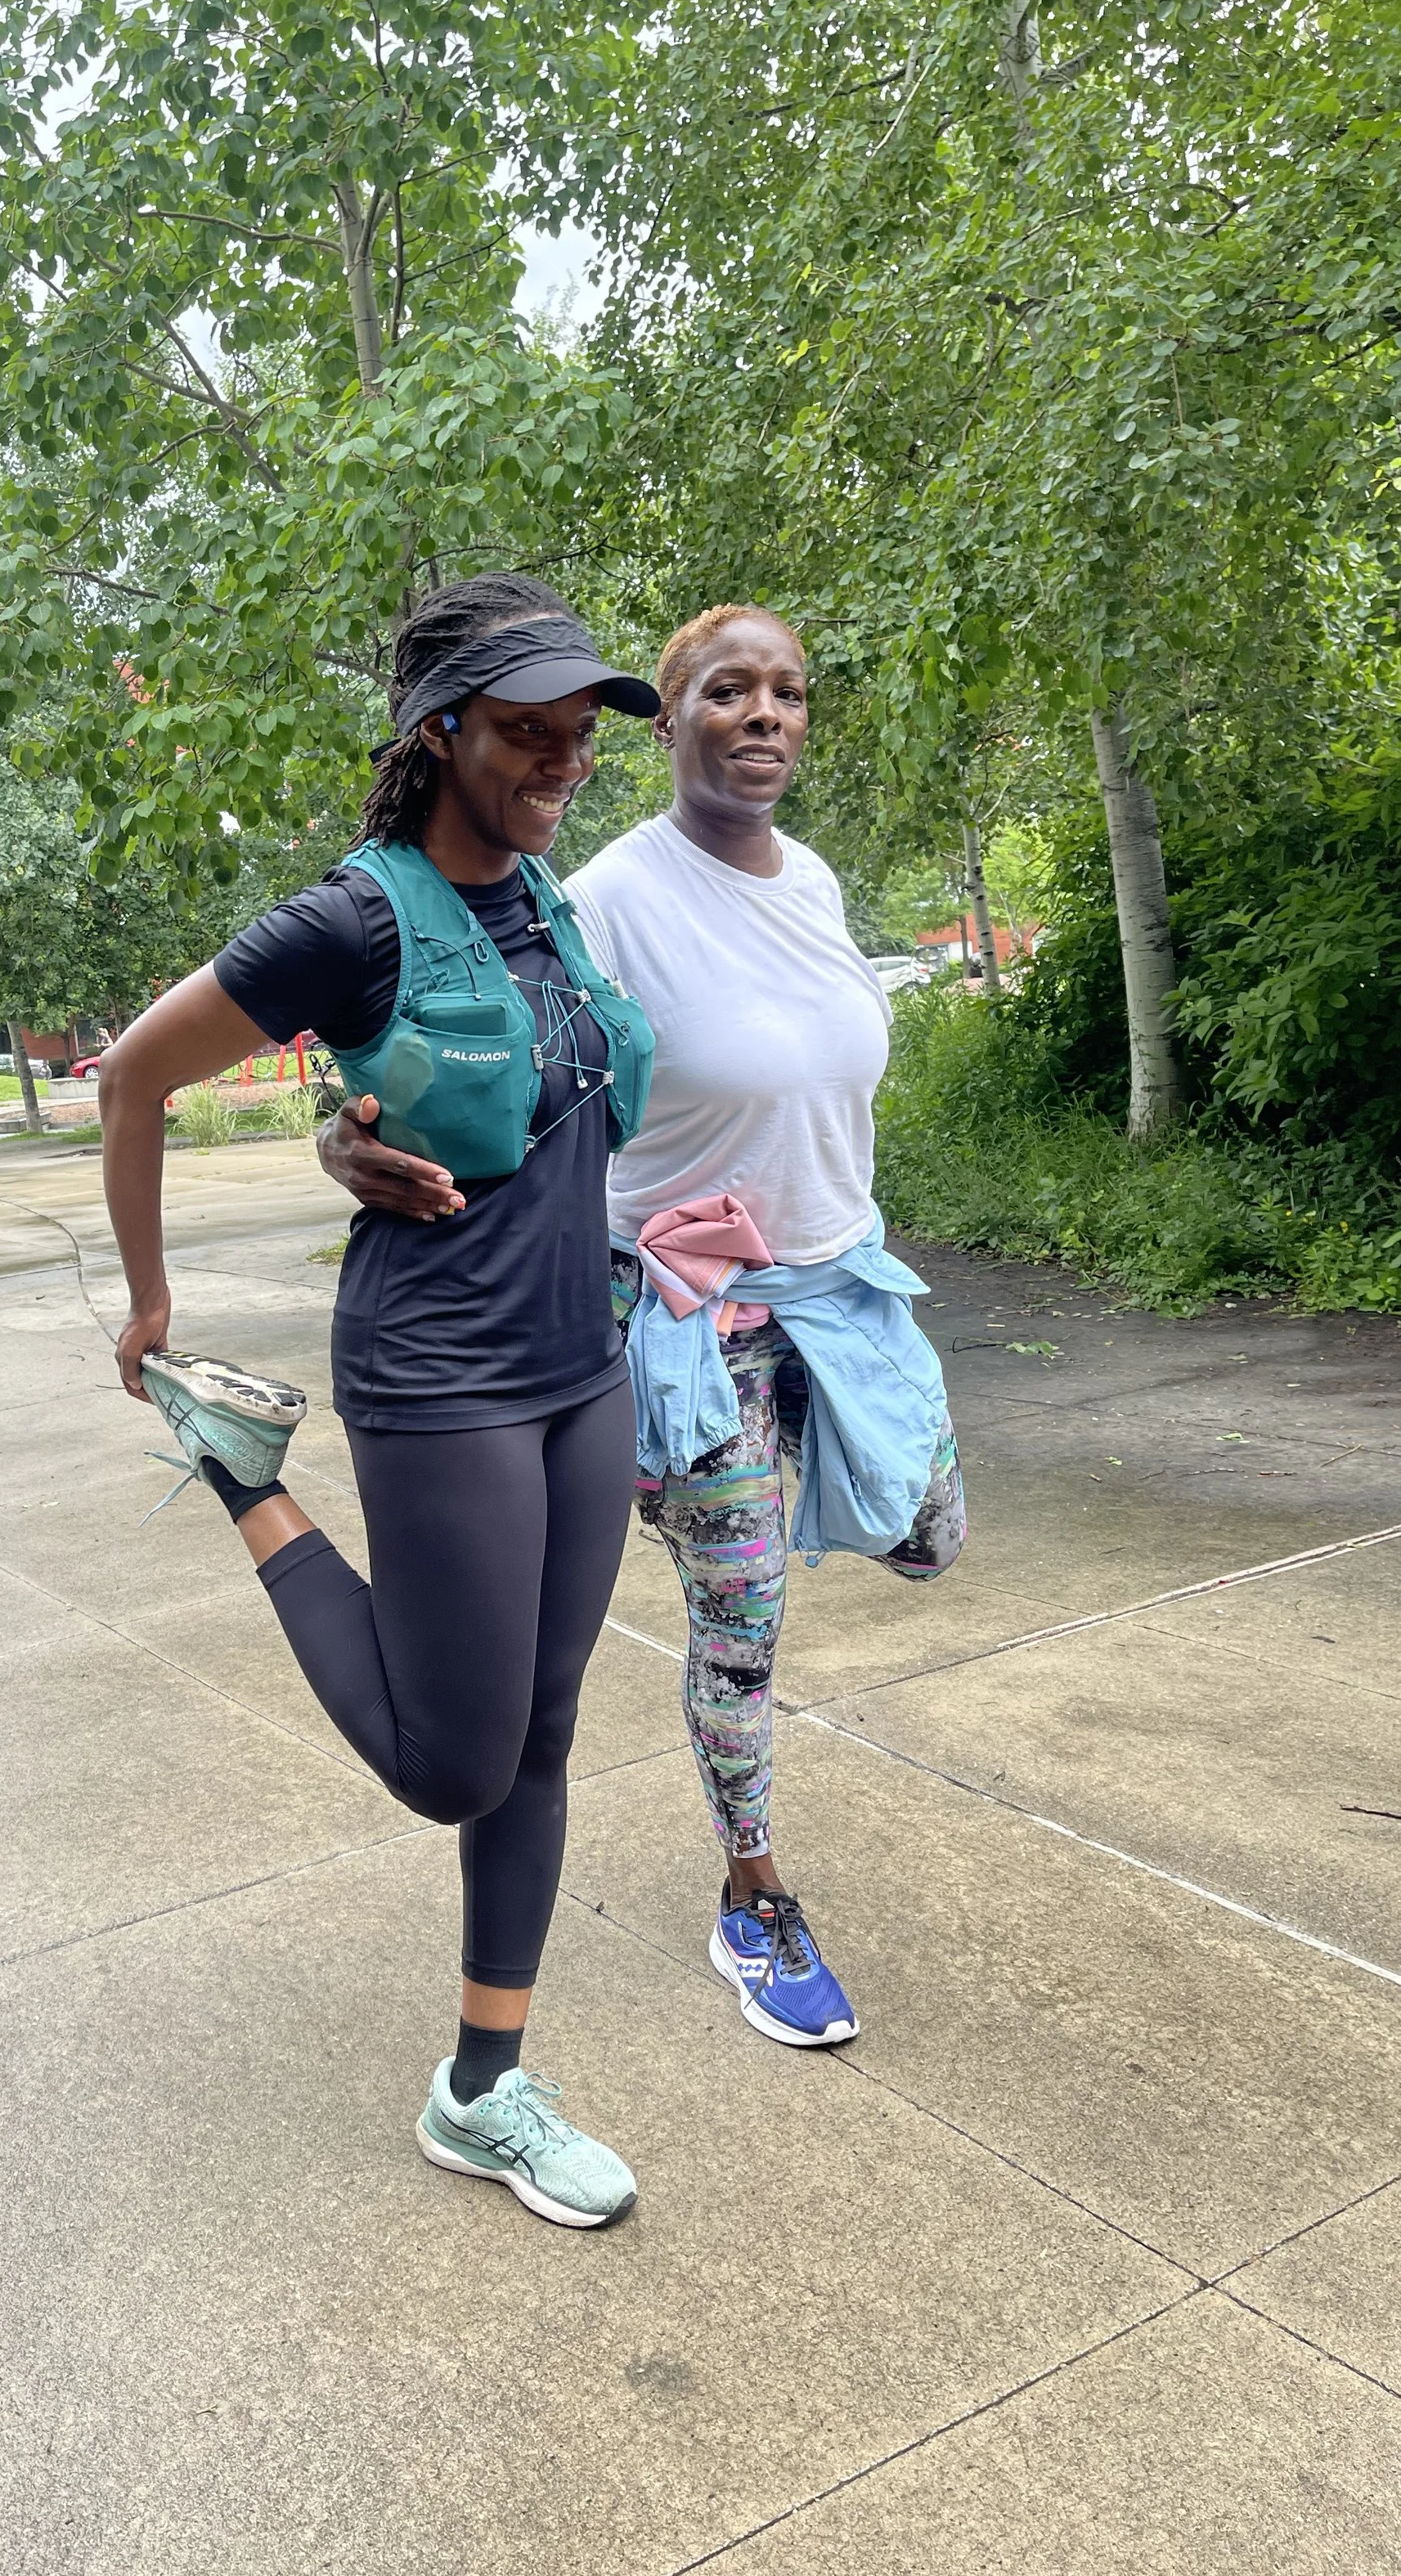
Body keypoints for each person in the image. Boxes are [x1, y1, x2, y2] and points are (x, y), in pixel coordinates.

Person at [319, 604, 965, 2053]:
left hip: (843, 1286)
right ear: (666, 722)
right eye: (728, 691)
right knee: (744, 1615)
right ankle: (755, 1895)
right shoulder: (602, 891)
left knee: (927, 1534)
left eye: (789, 693)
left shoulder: (815, 883)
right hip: (685, 1312)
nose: (764, 716)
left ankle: (690, 1503)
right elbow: (440, 1027)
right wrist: (341, 1136)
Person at [97, 572, 661, 2230]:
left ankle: (482, 2090)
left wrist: (347, 1119)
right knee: (447, 1763)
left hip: (579, 1366)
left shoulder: (549, 904)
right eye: (523, 727)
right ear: (435, 733)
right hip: (441, 1374)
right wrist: (149, 1302)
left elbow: (490, 1092)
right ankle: (237, 1468)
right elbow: (134, 1074)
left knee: (543, 1734)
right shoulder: (350, 915)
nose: (560, 753)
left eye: (575, 728)